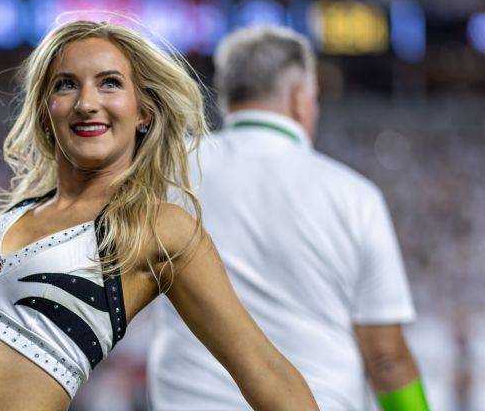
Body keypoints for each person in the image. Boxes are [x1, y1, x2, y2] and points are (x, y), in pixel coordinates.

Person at [0, 19, 318, 410]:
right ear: (45, 109)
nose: (87, 103)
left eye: (110, 83)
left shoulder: (156, 228)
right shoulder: (9, 217)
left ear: (143, 110)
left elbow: (264, 368)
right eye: (66, 84)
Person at [148, 25, 429, 410]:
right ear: (300, 98)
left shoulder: (169, 170)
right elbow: (386, 358)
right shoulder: (354, 196)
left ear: (229, 98)